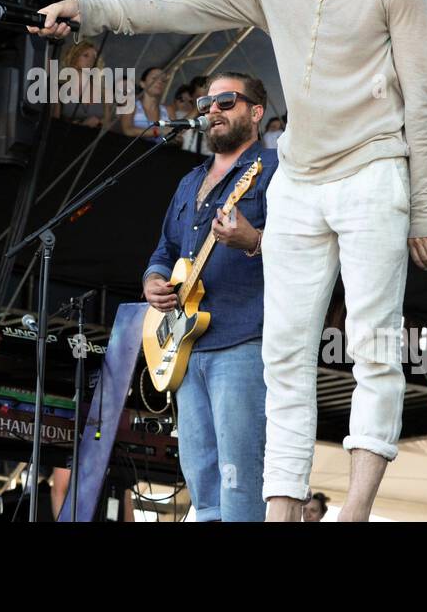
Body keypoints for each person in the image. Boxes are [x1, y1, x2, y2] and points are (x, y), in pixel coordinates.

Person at [31, 0, 427, 522]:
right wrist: (87, 10)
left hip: (374, 173)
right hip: (301, 183)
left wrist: (423, 204)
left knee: (375, 345)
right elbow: (175, 4)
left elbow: (424, 95)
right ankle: (280, 514)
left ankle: (352, 512)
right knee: (283, 359)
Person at [143, 72, 276, 521]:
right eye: (207, 103)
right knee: (201, 479)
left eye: (226, 101)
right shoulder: (189, 181)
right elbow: (165, 248)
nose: (212, 110)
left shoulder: (275, 170)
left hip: (243, 338)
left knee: (240, 473)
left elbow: (309, 250)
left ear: (255, 113)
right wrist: (153, 279)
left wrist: (253, 239)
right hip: (186, 343)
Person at [52, 40, 114, 130]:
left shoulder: (104, 92)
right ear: (74, 58)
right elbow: (53, 124)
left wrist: (101, 123)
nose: (91, 60)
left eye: (94, 57)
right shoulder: (59, 89)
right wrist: (81, 124)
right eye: (86, 55)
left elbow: (108, 126)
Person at [122, 65, 171, 139]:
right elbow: (127, 130)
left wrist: (177, 139)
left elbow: (175, 137)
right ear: (142, 84)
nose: (160, 81)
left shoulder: (168, 110)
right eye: (154, 78)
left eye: (163, 80)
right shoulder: (131, 104)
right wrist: (158, 131)